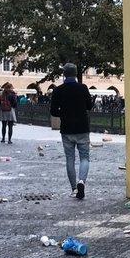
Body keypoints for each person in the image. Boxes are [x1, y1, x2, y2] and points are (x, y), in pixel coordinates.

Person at [50, 63, 94, 199]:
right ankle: (82, 181)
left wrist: (63, 113)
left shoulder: (58, 90)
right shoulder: (83, 88)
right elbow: (89, 106)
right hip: (82, 128)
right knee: (84, 157)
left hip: (67, 129)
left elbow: (53, 111)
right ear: (75, 74)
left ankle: (74, 188)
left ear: (64, 74)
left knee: (70, 159)